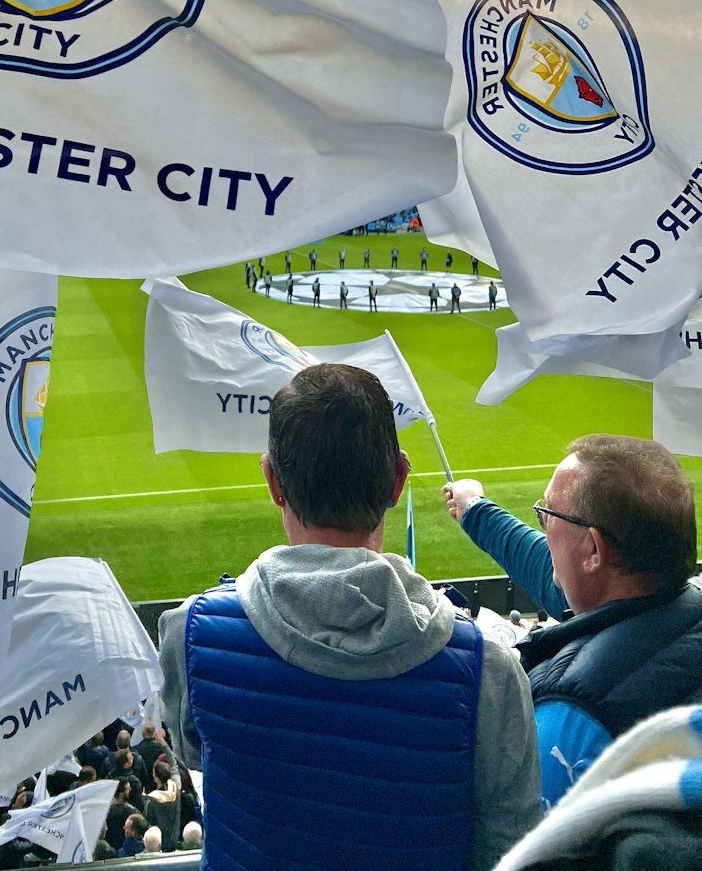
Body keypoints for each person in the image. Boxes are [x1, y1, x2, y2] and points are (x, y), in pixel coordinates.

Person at [159, 364, 541, 870]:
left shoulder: (191, 634)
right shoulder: (488, 670)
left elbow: (201, 756)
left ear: (273, 481)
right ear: (398, 479)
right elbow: (509, 849)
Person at [443, 436, 702, 808]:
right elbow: (553, 570)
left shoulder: (568, 716)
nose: (544, 526)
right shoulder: (670, 606)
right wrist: (475, 510)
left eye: (549, 514)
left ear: (595, 550)